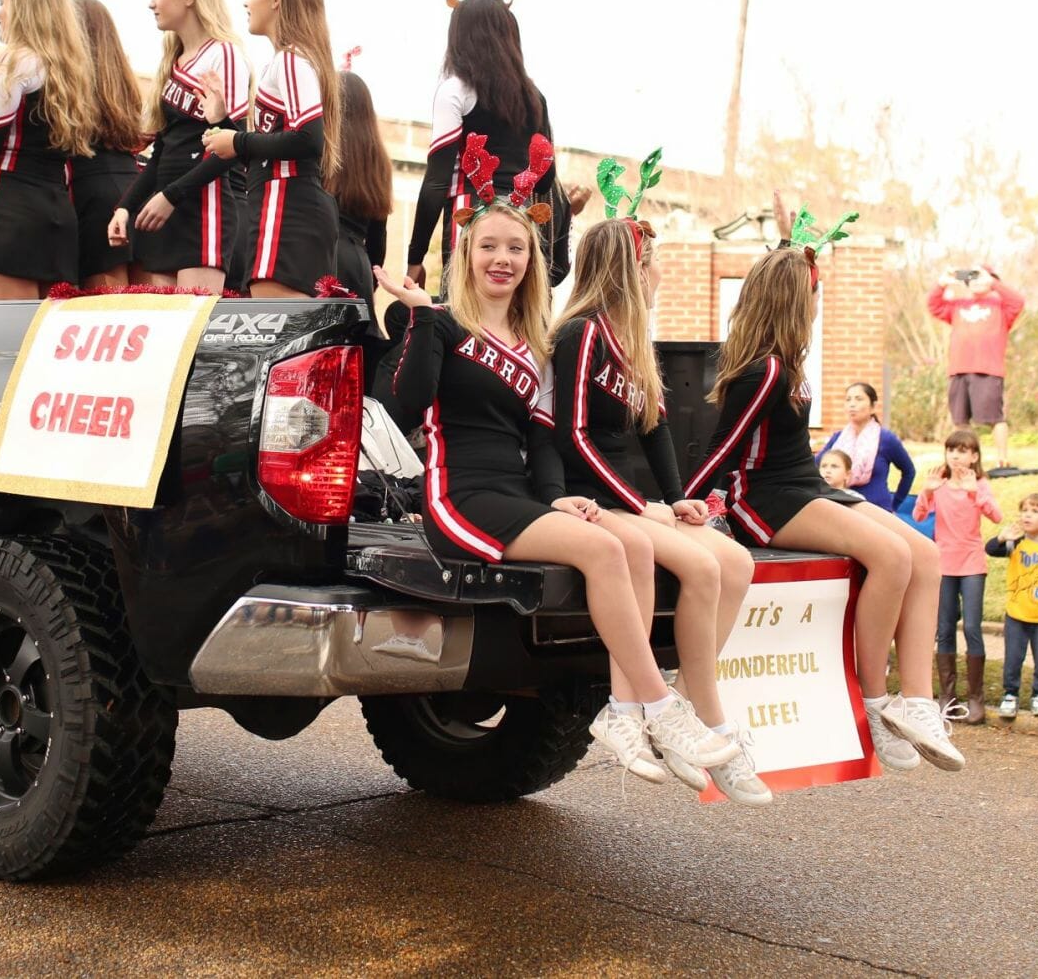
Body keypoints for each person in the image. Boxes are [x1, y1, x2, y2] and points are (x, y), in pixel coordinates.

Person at [373, 160, 742, 788]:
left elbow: (544, 440)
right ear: (465, 252)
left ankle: (626, 712)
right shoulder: (444, 321)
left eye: (516, 248)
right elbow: (402, 407)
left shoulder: (534, 339)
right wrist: (421, 319)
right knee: (605, 549)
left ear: (531, 261)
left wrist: (558, 497)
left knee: (629, 541)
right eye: (488, 245)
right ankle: (658, 705)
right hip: (458, 494)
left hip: (517, 493)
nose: (503, 259)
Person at [686, 242, 963, 773]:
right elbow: (722, 448)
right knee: (892, 558)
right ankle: (878, 705)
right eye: (814, 294)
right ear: (796, 300)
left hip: (808, 484)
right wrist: (684, 504)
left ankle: (918, 705)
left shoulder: (790, 361)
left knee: (925, 555)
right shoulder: (764, 370)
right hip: (765, 498)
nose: (818, 304)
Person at [552, 214, 771, 804]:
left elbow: (656, 430)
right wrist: (639, 506)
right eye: (653, 262)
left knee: (736, 564)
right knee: (700, 569)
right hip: (591, 495)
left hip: (634, 498)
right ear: (630, 268)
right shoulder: (581, 333)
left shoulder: (633, 338)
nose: (661, 274)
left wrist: (678, 500)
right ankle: (683, 716)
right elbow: (572, 435)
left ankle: (683, 702)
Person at [199, 0, 341, 298]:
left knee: (282, 347)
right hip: (280, 205)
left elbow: (308, 140)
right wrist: (225, 122)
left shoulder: (291, 59)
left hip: (289, 208)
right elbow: (272, 148)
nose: (246, 1)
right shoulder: (292, 59)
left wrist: (237, 142)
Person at [407, 0, 568, 291]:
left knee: (464, 319)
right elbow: (546, 179)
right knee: (518, 322)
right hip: (521, 223)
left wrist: (415, 258)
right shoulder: (534, 96)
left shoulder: (455, 90)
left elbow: (436, 182)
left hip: (472, 215)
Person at [112, 0, 248, 292]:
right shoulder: (173, 62)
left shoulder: (224, 54)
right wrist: (125, 208)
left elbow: (233, 145)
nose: (151, 3)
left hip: (203, 213)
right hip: (164, 215)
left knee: (190, 335)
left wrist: (170, 196)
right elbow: (163, 151)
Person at [0, 0, 96, 298]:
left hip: (11, 212)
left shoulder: (15, 62)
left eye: (2, 3)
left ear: (24, 8)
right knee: (44, 344)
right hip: (59, 218)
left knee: (12, 340)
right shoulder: (71, 71)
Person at [913, 430, 1002, 723]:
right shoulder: (938, 484)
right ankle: (947, 697)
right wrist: (926, 491)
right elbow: (918, 516)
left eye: (963, 451)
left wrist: (973, 491)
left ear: (974, 456)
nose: (956, 455)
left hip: (973, 564)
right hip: (944, 565)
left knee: (973, 627)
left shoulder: (979, 483)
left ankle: (976, 699)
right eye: (952, 450)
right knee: (945, 628)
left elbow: (996, 516)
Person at [71, 0, 150, 289]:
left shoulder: (71, 77)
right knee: (144, 310)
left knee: (105, 312)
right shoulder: (122, 78)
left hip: (92, 194)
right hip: (134, 191)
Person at [926, 261, 1024, 468]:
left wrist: (993, 284)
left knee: (994, 418)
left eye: (981, 278)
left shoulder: (1001, 307)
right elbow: (934, 306)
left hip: (988, 370)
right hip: (959, 369)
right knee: (960, 420)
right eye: (973, 278)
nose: (976, 282)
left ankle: (1002, 459)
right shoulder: (958, 306)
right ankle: (966, 459)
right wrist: (942, 284)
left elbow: (1017, 302)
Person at [985, 493, 1038, 719]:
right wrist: (1002, 538)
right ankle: (1010, 695)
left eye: (1035, 511)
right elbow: (990, 549)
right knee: (1014, 657)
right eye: (1024, 510)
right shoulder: (1016, 544)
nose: (1027, 515)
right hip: (1017, 613)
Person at [331, 62, 393, 311]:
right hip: (358, 266)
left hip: (320, 256)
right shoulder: (379, 161)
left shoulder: (322, 152)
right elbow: (379, 239)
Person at [817, 382, 916, 511]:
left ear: (873, 406)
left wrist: (895, 504)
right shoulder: (837, 439)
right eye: (848, 399)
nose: (852, 404)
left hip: (878, 511)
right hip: (843, 510)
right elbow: (816, 465)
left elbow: (909, 471)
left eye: (859, 399)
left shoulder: (886, 439)